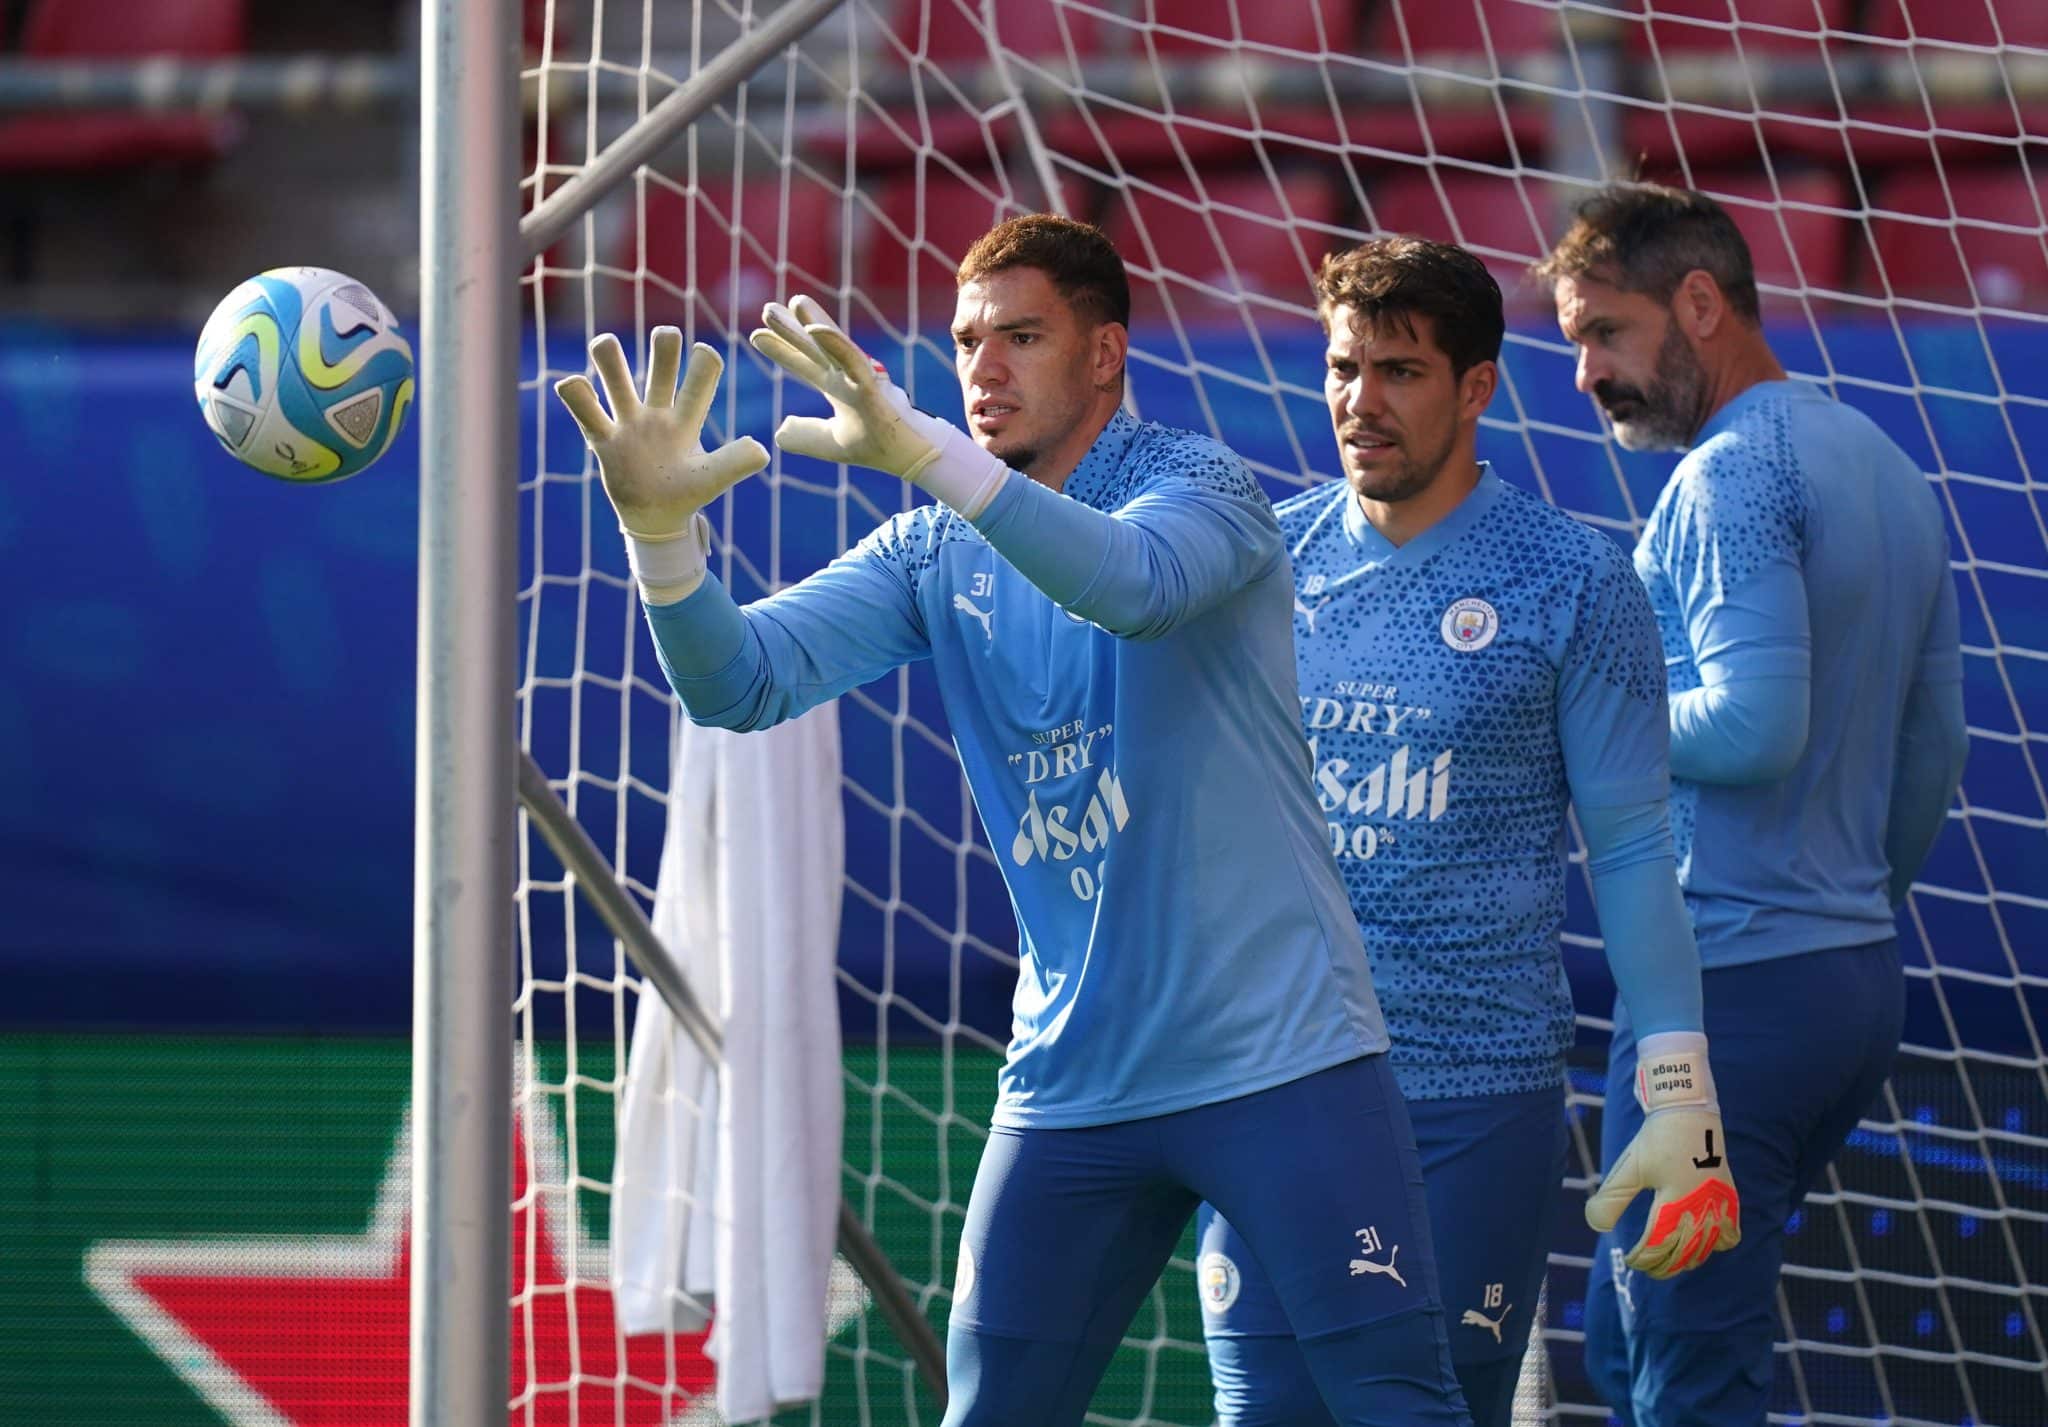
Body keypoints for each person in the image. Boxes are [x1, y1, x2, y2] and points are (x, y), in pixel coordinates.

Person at [553, 214, 1473, 1426]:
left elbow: (1132, 587)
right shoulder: (934, 547)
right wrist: (661, 540)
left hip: (1281, 1063)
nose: (981, 369)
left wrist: (936, 458)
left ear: (1103, 355)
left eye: (1020, 337)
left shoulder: (1203, 488)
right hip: (1070, 1088)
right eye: (966, 341)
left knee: (1396, 1407)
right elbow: (739, 683)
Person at [1193, 236, 1739, 1427]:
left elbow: (1637, 851)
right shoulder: (1254, 563)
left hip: (1472, 1095)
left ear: (1476, 386)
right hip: (1273, 1085)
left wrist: (1679, 1087)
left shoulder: (1572, 581)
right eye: (1342, 368)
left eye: (1396, 370)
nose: (1359, 401)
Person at [1534, 183, 1970, 1427]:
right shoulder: (1878, 458)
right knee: (1642, 1353)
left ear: (1700, 304)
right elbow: (1931, 749)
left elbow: (1751, 725)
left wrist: (1568, 725)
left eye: (1603, 333)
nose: (1582, 373)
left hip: (1727, 1005)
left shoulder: (1728, 477)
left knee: (1678, 1381)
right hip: (1846, 985)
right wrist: (1851, 910)